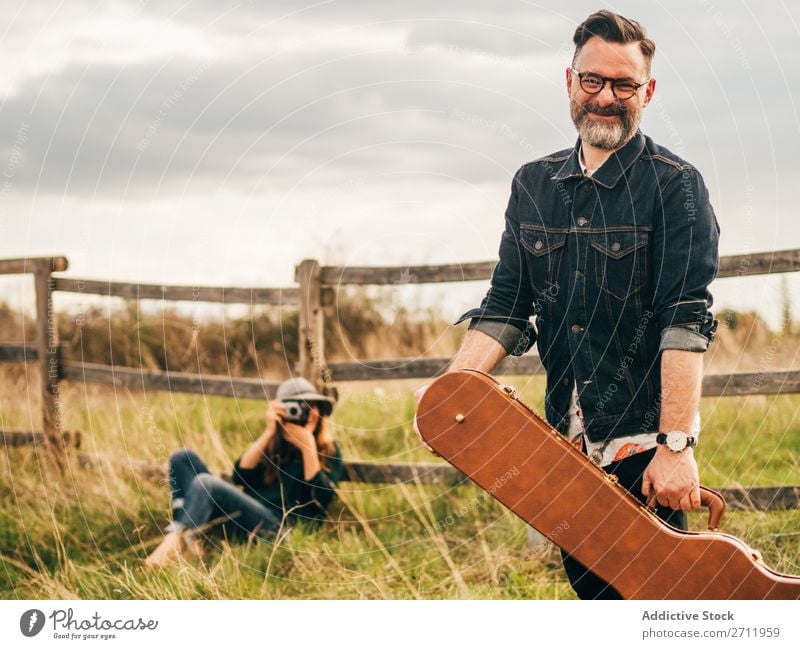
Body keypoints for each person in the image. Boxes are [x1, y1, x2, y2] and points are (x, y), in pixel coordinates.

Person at [415, 10, 720, 599]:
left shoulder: (676, 186)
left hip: (640, 442)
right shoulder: (533, 184)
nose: (606, 97)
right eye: (592, 81)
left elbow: (684, 320)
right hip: (563, 444)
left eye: (624, 85)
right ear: (569, 82)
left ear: (647, 92)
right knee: (588, 586)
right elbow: (506, 305)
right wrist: (451, 395)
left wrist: (676, 447)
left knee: (651, 597)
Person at [145, 377, 344, 568]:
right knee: (183, 458)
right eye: (294, 407)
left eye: (309, 406)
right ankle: (191, 541)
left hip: (279, 529)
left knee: (206, 483)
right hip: (245, 517)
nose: (301, 413)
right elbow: (240, 477)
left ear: (318, 412)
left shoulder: (328, 450)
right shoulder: (273, 445)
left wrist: (307, 445)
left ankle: (170, 548)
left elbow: (321, 500)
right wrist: (269, 432)